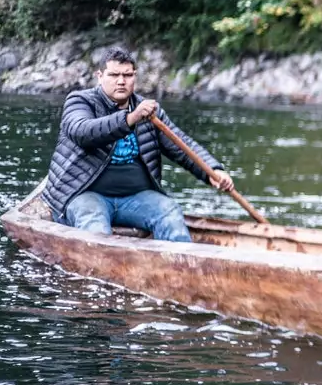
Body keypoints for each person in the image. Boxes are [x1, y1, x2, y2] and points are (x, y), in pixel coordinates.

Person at [42, 47, 236, 242]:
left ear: (134, 76)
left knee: (169, 212)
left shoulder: (149, 111)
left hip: (136, 198)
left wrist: (212, 169)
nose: (121, 81)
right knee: (96, 230)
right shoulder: (80, 101)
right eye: (114, 74)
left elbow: (181, 145)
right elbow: (83, 132)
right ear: (99, 76)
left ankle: (180, 267)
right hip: (85, 195)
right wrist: (130, 118)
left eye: (127, 75)